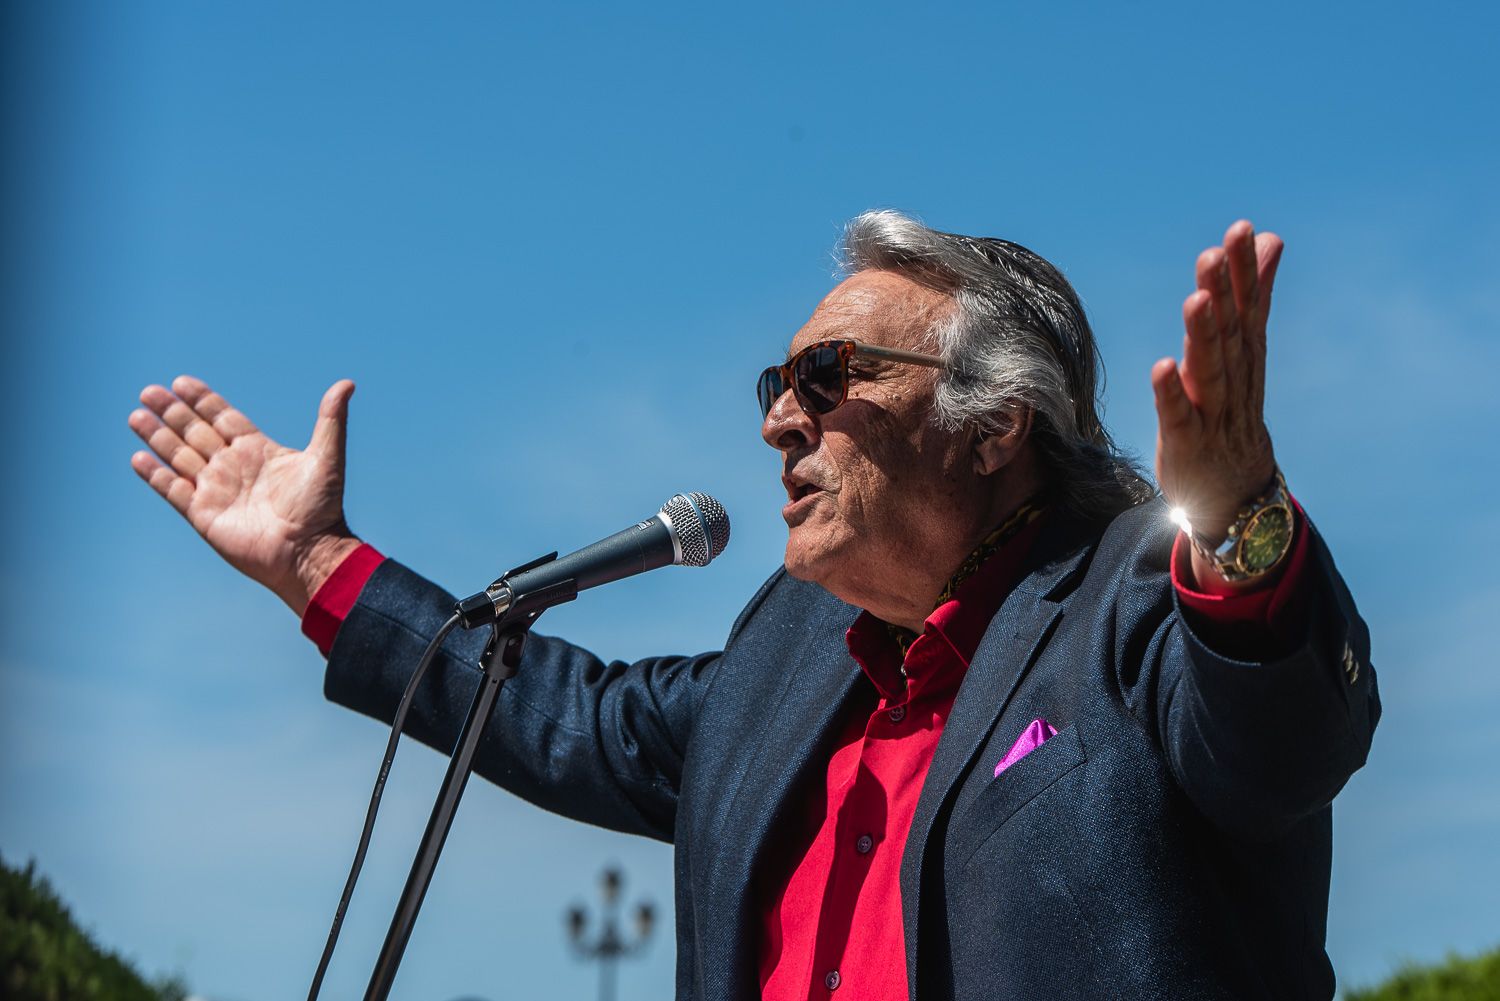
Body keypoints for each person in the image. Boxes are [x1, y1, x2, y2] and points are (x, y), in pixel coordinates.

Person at [128, 211, 1378, 1000]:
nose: (781, 415)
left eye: (829, 375)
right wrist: (312, 561)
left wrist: (1237, 523)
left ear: (995, 424)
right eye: (778, 379)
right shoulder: (784, 654)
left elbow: (1281, 747)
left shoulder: (1131, 602)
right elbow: (571, 717)